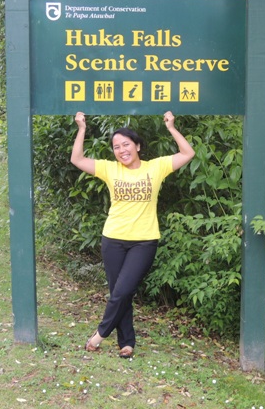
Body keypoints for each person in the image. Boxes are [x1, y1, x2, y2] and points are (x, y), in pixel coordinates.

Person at [70, 110, 195, 358]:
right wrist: (82, 129)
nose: (121, 150)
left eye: (126, 144)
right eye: (116, 147)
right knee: (120, 293)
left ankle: (100, 334)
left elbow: (187, 153)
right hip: (113, 239)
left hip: (144, 241)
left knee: (124, 290)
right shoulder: (110, 169)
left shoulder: (156, 167)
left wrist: (171, 127)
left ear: (137, 146)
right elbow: (77, 159)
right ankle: (127, 343)